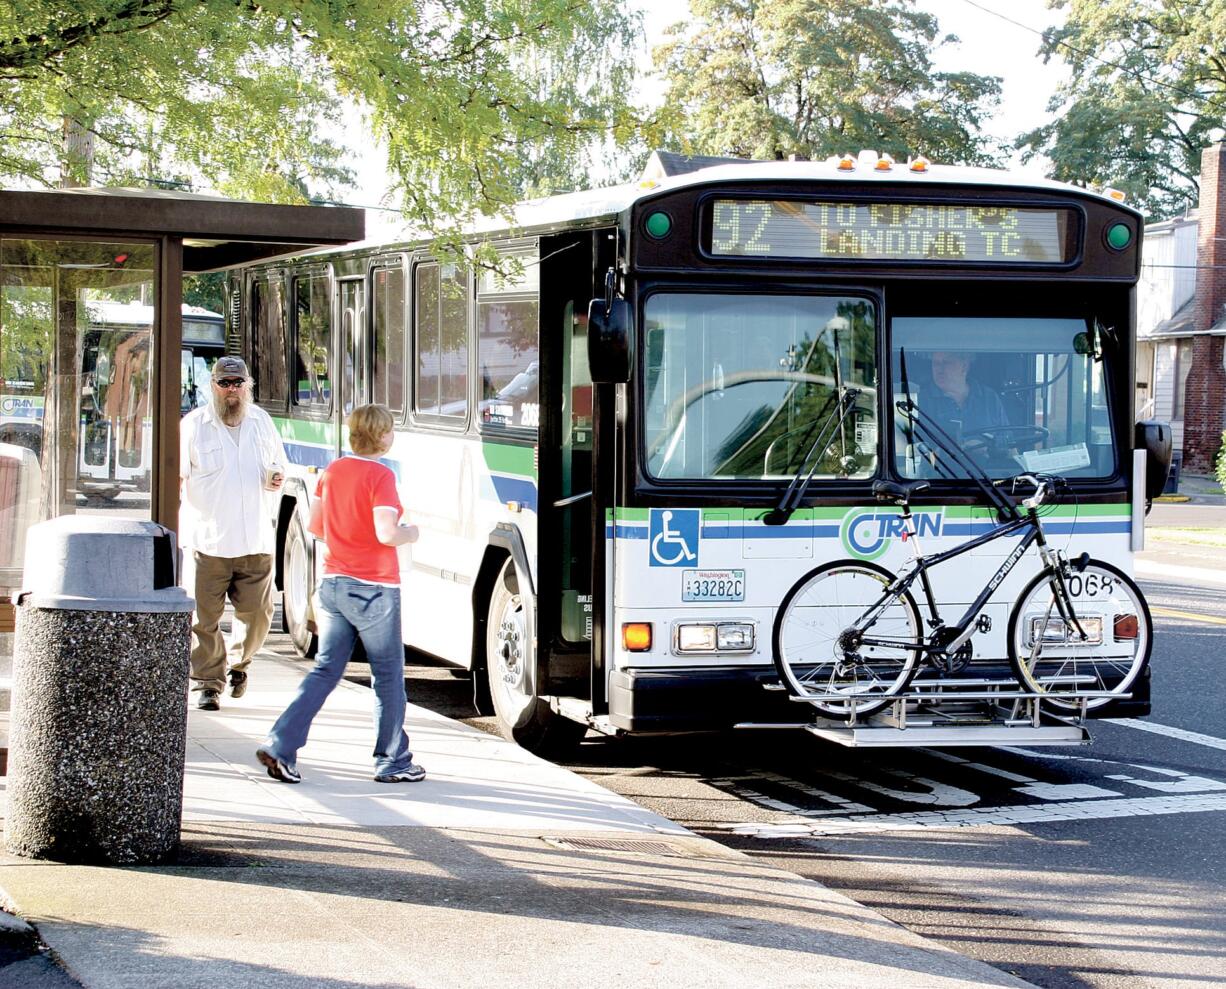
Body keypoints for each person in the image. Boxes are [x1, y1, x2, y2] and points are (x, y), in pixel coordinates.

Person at [255, 404, 423, 785]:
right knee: (387, 677)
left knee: (326, 670)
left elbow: (316, 526)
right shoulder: (381, 476)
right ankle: (392, 760)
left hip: (332, 584)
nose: (392, 435)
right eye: (390, 430)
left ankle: (281, 745)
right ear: (381, 436)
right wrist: (409, 533)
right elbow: (386, 533)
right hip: (374, 588)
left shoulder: (332, 472)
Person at [180, 356, 287, 711]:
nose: (231, 390)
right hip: (208, 540)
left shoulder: (261, 422)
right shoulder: (194, 425)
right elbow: (178, 478)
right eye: (224, 383)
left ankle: (239, 663)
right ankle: (208, 684)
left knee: (258, 616)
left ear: (247, 386)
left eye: (237, 383)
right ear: (212, 386)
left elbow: (279, 465)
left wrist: (276, 477)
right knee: (204, 620)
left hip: (255, 539)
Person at [925, 350, 1008, 441]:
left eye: (946, 363)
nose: (939, 369)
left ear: (964, 366)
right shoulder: (920, 400)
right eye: (935, 363)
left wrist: (985, 447)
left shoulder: (989, 398)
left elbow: (1008, 444)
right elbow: (913, 447)